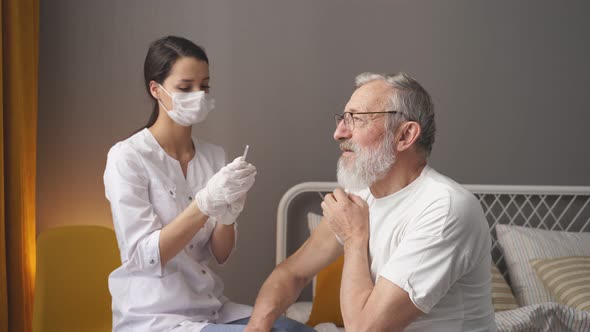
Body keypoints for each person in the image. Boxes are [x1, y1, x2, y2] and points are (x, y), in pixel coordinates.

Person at [246, 72, 496, 332]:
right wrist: (257, 326)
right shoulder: (360, 195)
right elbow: (291, 274)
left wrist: (354, 238)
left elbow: (364, 330)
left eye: (356, 119)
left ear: (405, 135)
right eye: (343, 119)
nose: (339, 133)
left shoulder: (445, 208)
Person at [104, 36, 314, 332]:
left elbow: (221, 254)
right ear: (156, 89)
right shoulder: (128, 157)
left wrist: (228, 214)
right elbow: (145, 256)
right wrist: (204, 203)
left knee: (296, 331)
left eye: (204, 86)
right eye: (185, 87)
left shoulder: (213, 156)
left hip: (210, 306)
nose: (198, 95)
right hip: (154, 315)